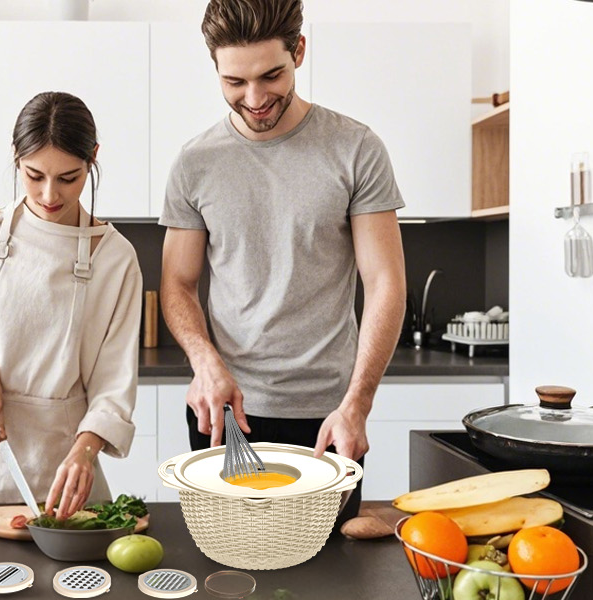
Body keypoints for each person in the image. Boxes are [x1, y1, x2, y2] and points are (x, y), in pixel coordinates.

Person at [158, 0, 408, 527]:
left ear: (299, 50)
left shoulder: (355, 149)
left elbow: (385, 283)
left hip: (330, 417)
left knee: (330, 572)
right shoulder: (194, 162)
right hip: (225, 413)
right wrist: (205, 363)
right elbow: (177, 284)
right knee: (226, 567)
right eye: (234, 82)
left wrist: (358, 404)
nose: (255, 99)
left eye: (271, 75)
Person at [0, 91, 144, 518]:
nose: (49, 194)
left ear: (93, 158)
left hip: (69, 470)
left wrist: (86, 450)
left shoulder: (115, 258)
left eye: (69, 178)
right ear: (15, 157)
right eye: (33, 174)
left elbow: (114, 387)